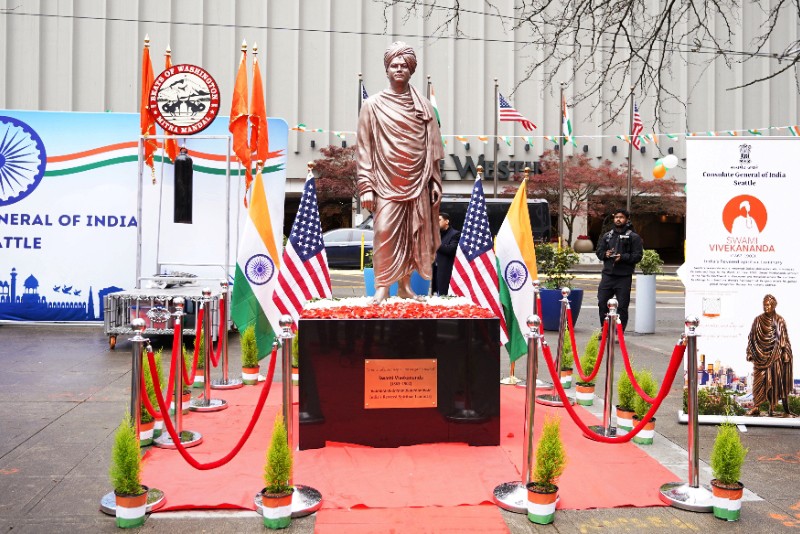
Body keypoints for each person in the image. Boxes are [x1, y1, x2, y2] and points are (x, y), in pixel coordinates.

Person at [357, 42, 445, 304]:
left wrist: (434, 180)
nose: (398, 69)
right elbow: (364, 149)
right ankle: (383, 286)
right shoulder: (372, 106)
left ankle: (405, 286)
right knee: (383, 232)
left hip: (418, 180)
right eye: (394, 65)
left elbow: (432, 147)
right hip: (385, 182)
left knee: (413, 234)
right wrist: (366, 186)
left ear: (410, 70)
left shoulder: (425, 107)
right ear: (386, 70)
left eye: (403, 66)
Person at [746, 294, 795, 417]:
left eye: (768, 305)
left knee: (775, 381)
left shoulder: (780, 320)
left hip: (775, 355)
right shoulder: (758, 320)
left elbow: (784, 339)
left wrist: (786, 352)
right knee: (758, 381)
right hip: (759, 356)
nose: (766, 307)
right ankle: (756, 407)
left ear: (773, 306)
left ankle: (774, 408)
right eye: (764, 305)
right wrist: (749, 352)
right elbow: (751, 338)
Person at [595, 209, 643, 332]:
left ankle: (618, 333)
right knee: (602, 303)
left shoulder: (634, 237)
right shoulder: (607, 236)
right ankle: (604, 329)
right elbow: (599, 252)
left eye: (621, 217)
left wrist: (622, 257)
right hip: (607, 276)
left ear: (626, 219)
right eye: (616, 217)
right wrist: (606, 254)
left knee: (622, 307)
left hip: (624, 276)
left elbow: (638, 256)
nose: (618, 219)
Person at [431, 213, 460, 296]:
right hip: (434, 271)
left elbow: (450, 250)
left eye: (439, 220)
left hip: (446, 273)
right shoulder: (436, 235)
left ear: (447, 221)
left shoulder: (455, 234)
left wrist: (436, 243)